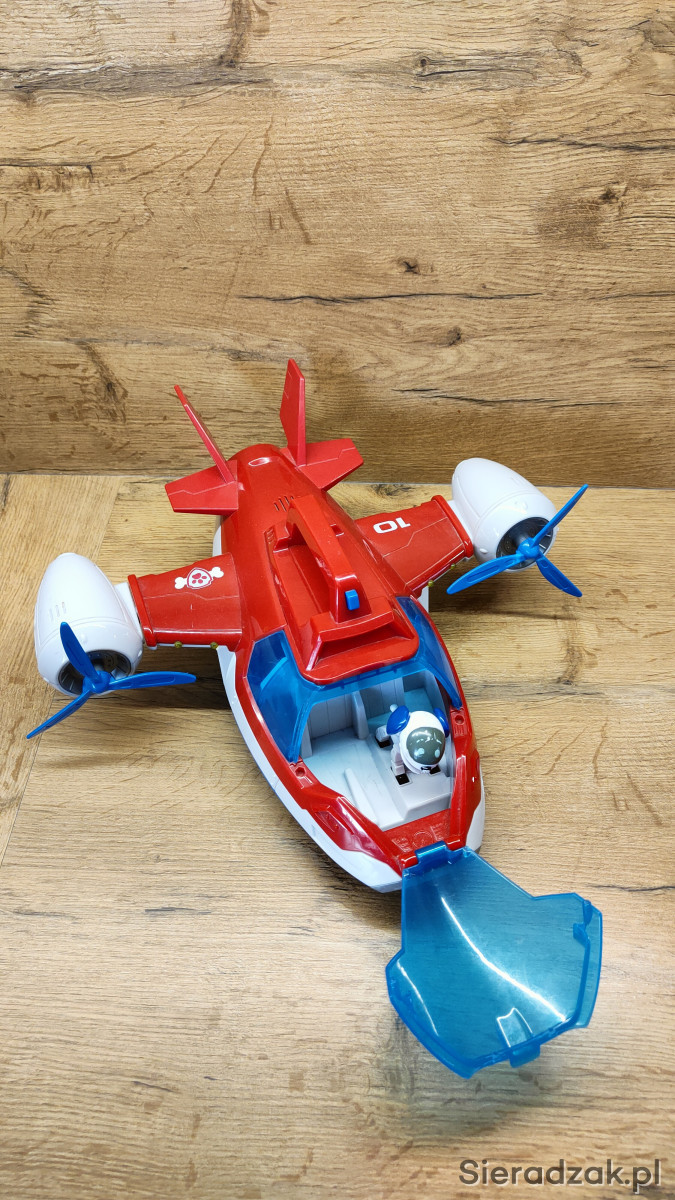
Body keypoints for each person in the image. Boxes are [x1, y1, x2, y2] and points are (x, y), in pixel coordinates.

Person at [375, 704, 449, 785]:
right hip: (401, 736)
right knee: (396, 752)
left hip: (410, 732)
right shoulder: (400, 733)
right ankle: (398, 769)